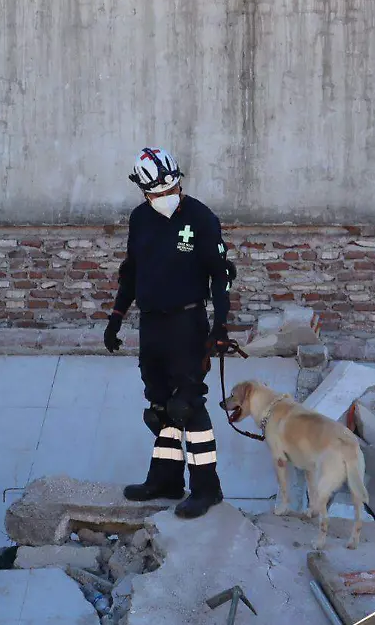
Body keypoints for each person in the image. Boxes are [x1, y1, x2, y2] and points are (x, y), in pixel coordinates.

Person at [103, 147, 235, 519]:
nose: (165, 197)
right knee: (160, 408)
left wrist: (220, 325)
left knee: (187, 404)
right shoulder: (140, 219)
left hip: (186, 322)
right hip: (152, 323)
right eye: (157, 193)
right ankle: (165, 479)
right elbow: (131, 271)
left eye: (171, 189)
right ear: (144, 192)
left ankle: (206, 487)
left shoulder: (201, 217)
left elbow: (220, 275)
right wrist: (116, 316)